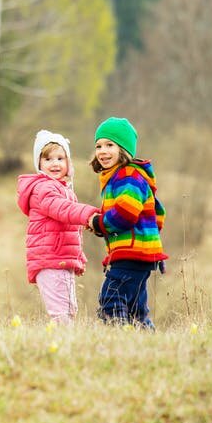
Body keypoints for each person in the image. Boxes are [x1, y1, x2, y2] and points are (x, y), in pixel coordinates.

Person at [87, 117, 168, 328]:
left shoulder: (128, 175)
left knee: (111, 299)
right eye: (98, 146)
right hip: (139, 254)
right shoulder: (121, 177)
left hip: (131, 253)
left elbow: (126, 213)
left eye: (109, 145)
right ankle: (145, 339)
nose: (102, 151)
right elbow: (158, 214)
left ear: (124, 149)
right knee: (136, 310)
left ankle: (119, 340)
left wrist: (99, 224)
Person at [17, 129, 100, 324]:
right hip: (50, 259)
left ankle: (66, 345)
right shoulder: (43, 189)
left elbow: (68, 228)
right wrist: (88, 215)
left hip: (60, 259)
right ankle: (59, 347)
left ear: (68, 162)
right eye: (48, 159)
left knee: (69, 310)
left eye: (60, 158)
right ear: (39, 163)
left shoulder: (63, 188)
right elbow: (62, 209)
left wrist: (78, 257)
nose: (55, 163)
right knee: (61, 314)